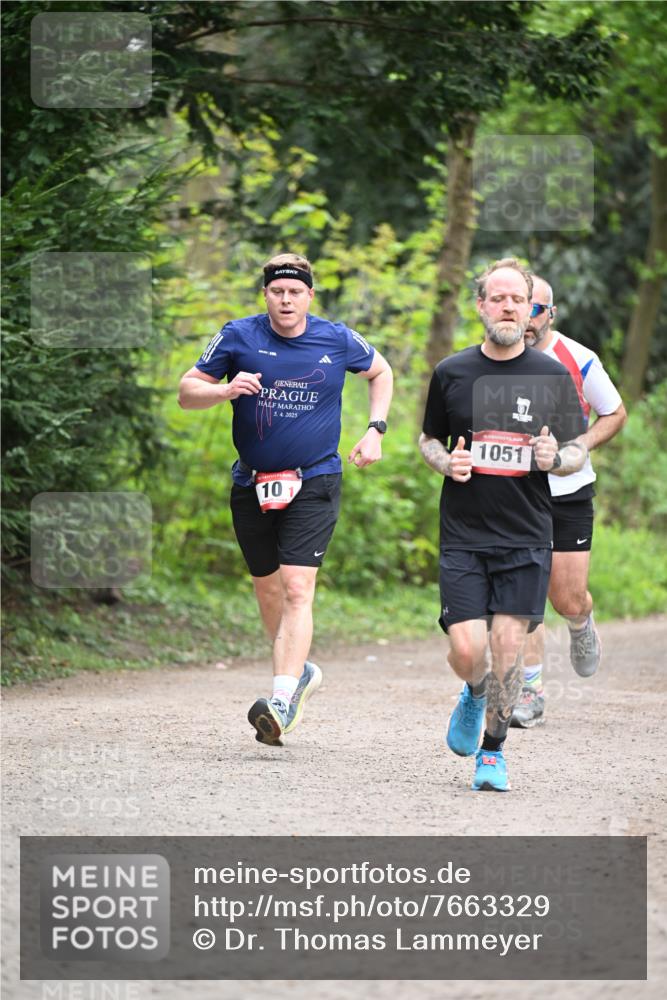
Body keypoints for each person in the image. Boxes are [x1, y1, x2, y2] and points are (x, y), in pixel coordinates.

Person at [178, 253, 393, 746]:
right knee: (268, 589)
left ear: (310, 296)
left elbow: (380, 371)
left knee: (297, 587)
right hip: (251, 483)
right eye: (277, 291)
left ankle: (281, 699)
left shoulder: (336, 338)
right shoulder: (237, 336)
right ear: (266, 295)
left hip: (314, 479)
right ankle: (298, 671)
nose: (286, 300)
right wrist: (225, 391)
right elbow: (187, 392)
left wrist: (375, 429)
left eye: (295, 291)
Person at [419, 257, 587, 792]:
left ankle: (492, 753)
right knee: (469, 651)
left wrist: (555, 459)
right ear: (481, 306)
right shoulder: (452, 372)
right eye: (499, 298)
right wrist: (446, 462)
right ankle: (474, 692)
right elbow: (428, 439)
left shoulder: (552, 375)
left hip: (527, 534)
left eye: (519, 299)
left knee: (508, 649)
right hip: (465, 534)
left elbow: (578, 449)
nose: (509, 307)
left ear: (531, 309)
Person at [510, 276, 627, 728]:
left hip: (569, 492)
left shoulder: (578, 358)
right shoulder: (495, 359)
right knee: (524, 594)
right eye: (522, 306)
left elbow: (614, 412)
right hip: (517, 494)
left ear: (550, 314)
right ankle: (531, 690)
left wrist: (579, 446)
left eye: (536, 309)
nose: (527, 317)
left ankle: (581, 622)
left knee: (567, 598)